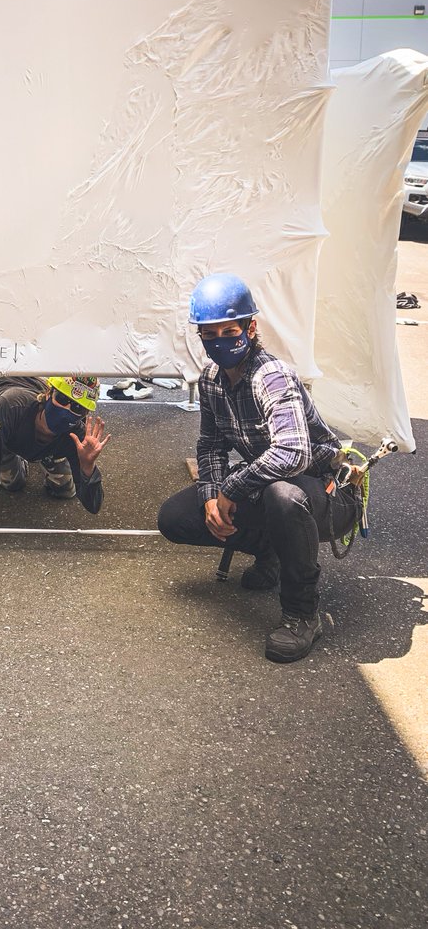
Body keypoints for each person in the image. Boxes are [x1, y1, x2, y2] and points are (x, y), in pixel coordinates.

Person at [157, 272, 360, 664]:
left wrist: (230, 489)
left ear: (251, 327)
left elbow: (293, 454)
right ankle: (274, 551)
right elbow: (211, 445)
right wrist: (210, 498)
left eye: (228, 331)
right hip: (271, 487)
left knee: (282, 496)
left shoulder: (273, 376)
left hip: (326, 495)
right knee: (176, 517)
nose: (219, 342)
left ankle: (302, 614)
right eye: (208, 335)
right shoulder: (212, 381)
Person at [0, 376, 109, 542]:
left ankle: (48, 454)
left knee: (65, 491)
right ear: (49, 393)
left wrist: (88, 467)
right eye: (63, 398)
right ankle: (11, 451)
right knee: (13, 483)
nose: (67, 409)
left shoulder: (76, 435)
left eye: (78, 408)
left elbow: (93, 506)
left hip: (33, 405)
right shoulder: (10, 406)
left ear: (85, 414)